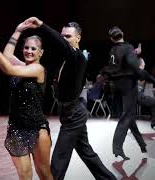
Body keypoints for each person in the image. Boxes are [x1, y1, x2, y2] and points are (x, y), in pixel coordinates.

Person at [21, 17, 116, 180]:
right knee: (87, 153)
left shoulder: (77, 57)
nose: (64, 39)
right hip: (69, 111)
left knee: (59, 159)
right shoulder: (67, 59)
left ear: (78, 38)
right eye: (62, 35)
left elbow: (60, 44)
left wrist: (42, 26)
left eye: (68, 36)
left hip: (74, 114)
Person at [0, 22, 53, 180]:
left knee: (45, 174)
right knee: (25, 175)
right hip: (17, 129)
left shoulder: (38, 69)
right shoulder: (23, 66)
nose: (29, 51)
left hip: (37, 128)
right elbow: (7, 57)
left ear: (41, 52)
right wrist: (17, 31)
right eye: (26, 47)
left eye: (33, 48)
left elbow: (9, 69)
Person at [103, 26, 155, 160]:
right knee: (127, 116)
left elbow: (122, 59)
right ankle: (117, 147)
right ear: (123, 34)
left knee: (130, 116)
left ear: (111, 39)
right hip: (128, 85)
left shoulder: (113, 50)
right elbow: (134, 67)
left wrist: (134, 52)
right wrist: (150, 78)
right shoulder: (128, 48)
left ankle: (142, 144)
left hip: (116, 86)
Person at [137, 57, 155, 129]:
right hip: (138, 95)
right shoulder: (142, 72)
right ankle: (154, 122)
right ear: (141, 64)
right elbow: (152, 79)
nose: (145, 64)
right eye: (144, 62)